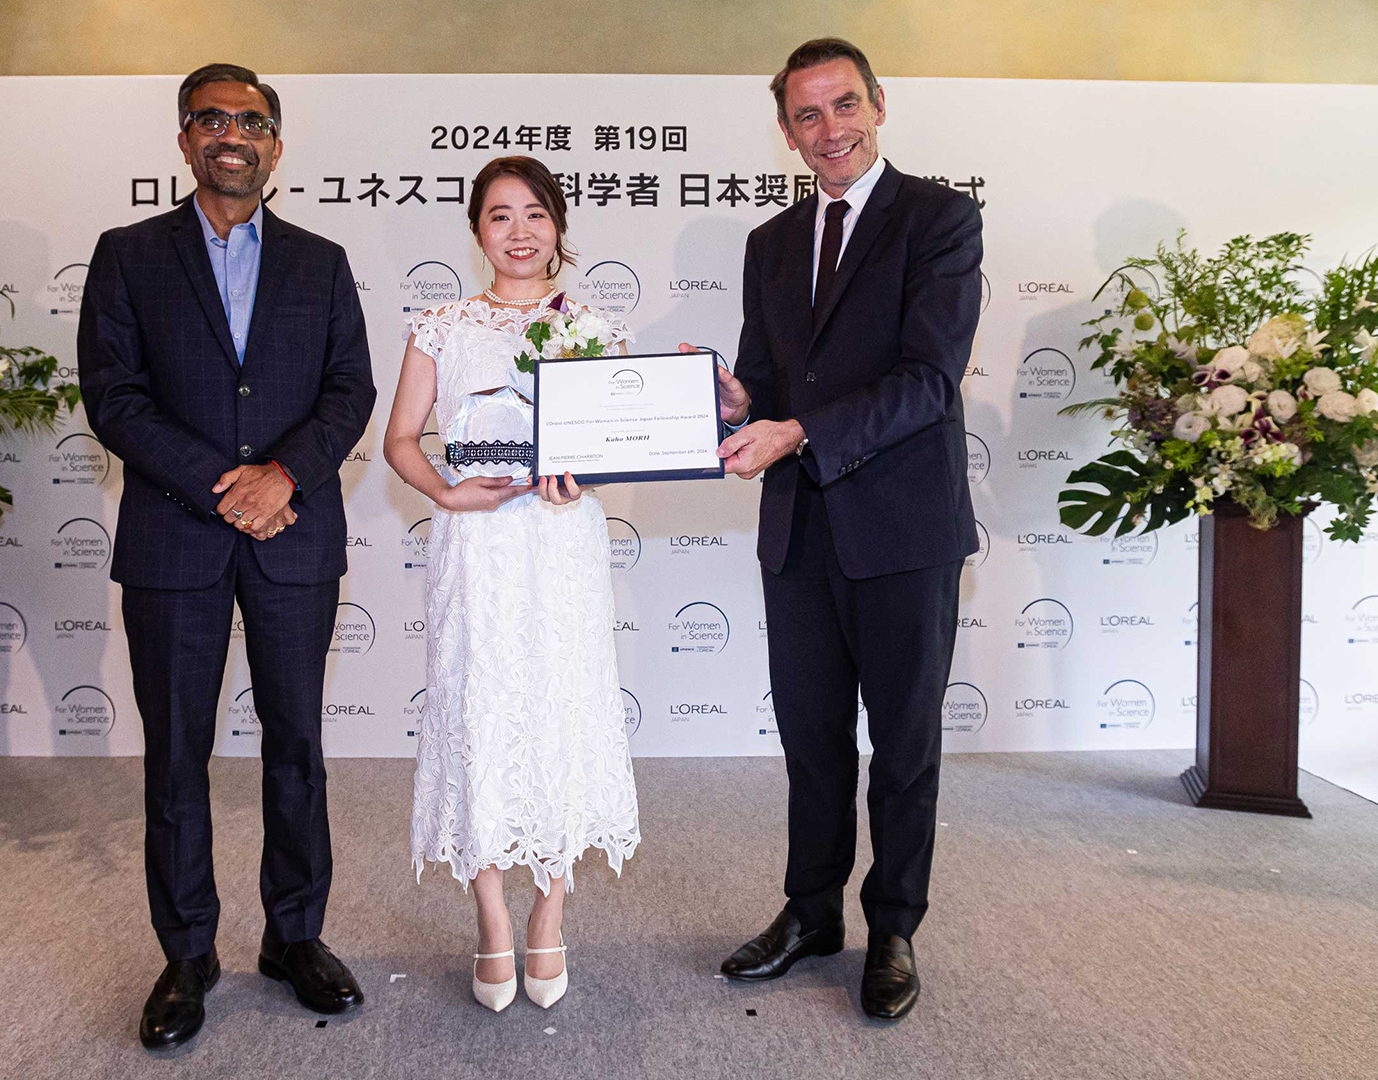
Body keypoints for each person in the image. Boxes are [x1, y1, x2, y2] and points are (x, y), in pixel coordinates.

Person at [77, 62, 376, 1049]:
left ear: (276, 144)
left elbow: (349, 390)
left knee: (297, 748)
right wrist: (225, 483)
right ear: (185, 139)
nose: (231, 133)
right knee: (177, 755)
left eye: (250, 120)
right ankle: (188, 952)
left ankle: (295, 938)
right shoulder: (128, 255)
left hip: (295, 535)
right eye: (212, 118)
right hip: (176, 538)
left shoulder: (321, 262)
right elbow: (114, 398)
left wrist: (281, 477)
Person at [698, 38, 983, 1021]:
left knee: (903, 745)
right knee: (814, 743)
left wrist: (796, 428)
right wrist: (740, 401)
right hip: (802, 533)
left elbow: (926, 381)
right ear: (787, 130)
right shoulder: (769, 244)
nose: (831, 131)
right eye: (808, 115)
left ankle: (893, 925)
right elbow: (771, 388)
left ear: (880, 104)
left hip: (904, 530)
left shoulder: (941, 221)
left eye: (845, 106)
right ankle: (810, 911)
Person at [383, 156, 641, 1012]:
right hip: (478, 545)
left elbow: (616, 445)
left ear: (559, 227)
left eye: (535, 214)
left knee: (558, 710)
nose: (520, 231)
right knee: (480, 710)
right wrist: (446, 493)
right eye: (500, 216)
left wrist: (587, 478)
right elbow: (401, 441)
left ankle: (549, 911)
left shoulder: (595, 327)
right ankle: (492, 913)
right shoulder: (440, 326)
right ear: (477, 230)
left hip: (561, 542)